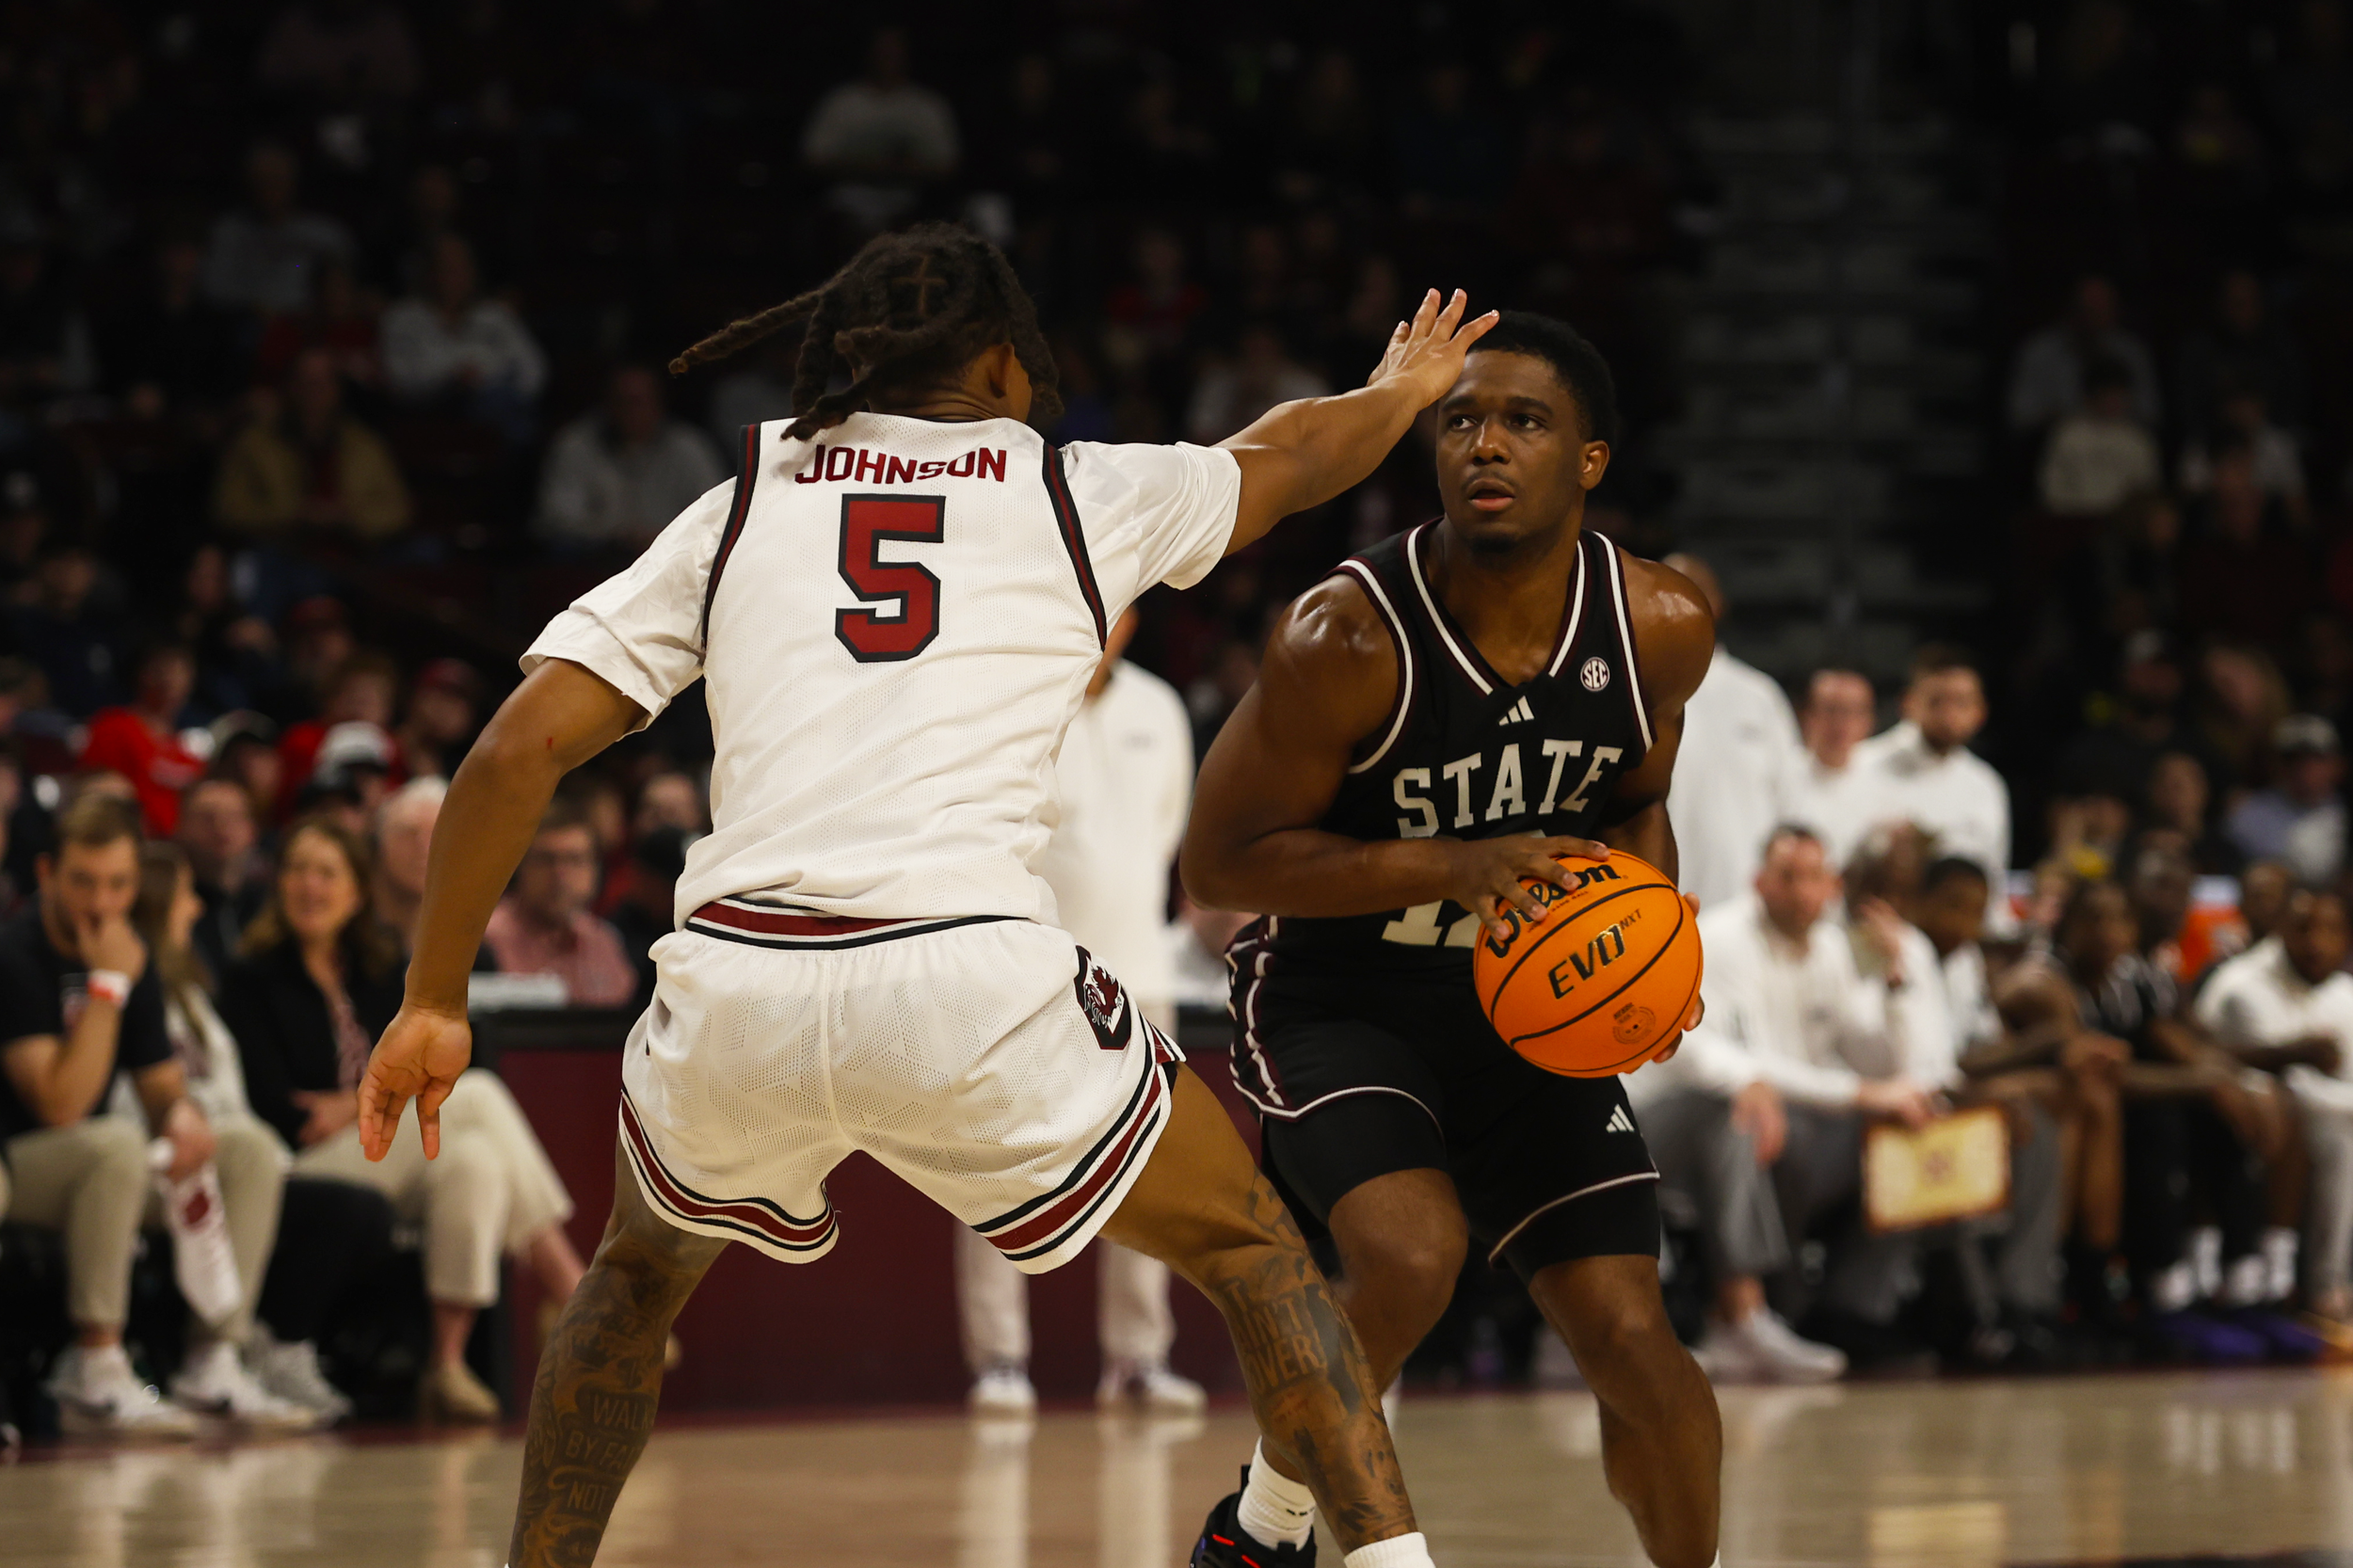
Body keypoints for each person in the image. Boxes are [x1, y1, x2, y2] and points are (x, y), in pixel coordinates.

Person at [358, 224, 1486, 1568]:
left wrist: (433, 995)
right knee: (1257, 1252)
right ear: (1006, 359)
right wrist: (1402, 396)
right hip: (965, 974)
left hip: (740, 979)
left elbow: (512, 750)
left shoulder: (741, 496)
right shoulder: (1072, 493)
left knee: (627, 1286)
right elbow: (1293, 456)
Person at [1181, 312, 1721, 1568]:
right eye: (1461, 419)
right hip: (1339, 994)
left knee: (1634, 1337)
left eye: (1524, 421)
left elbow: (1637, 804)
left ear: (1589, 459)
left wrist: (1652, 946)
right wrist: (1454, 865)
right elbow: (1221, 863)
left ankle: (1263, 1510)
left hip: (1523, 1007)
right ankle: (1275, 1520)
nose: (1485, 443)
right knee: (1410, 1253)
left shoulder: (1661, 626)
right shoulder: (1348, 635)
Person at [224, 816, 585, 1423]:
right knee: (479, 1096)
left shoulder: (379, 970)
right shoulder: (251, 980)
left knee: (475, 1161)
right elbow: (281, 1113)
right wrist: (361, 1102)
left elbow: (415, 1076)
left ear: (356, 893)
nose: (308, 886)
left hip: (378, 1144)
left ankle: (445, 1366)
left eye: (325, 873)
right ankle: (574, 1291)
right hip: (296, 1163)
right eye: (296, 870)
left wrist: (351, 1102)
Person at [955, 605, 1206, 1416]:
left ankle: (1137, 1359)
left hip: (1140, 971)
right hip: (1022, 973)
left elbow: (1169, 835)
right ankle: (999, 1361)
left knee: (1147, 1174)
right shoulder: (1010, 699)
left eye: (1126, 603)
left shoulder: (1161, 708)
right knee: (998, 1163)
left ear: (1135, 620)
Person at [0, 794, 291, 1433]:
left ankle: (215, 1357)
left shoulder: (129, 954)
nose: (101, 903)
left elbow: (161, 1088)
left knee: (244, 1145)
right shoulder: (18, 953)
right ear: (46, 874)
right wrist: (107, 988)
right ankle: (95, 1366)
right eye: (83, 882)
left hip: (105, 1173)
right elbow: (58, 1104)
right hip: (21, 1168)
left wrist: (182, 1116)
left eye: (118, 885)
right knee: (113, 1145)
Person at [128, 840, 389, 1423]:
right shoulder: (146, 992)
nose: (195, 910)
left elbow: (230, 1097)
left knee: (358, 1208)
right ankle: (221, 1352)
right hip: (175, 1160)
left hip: (239, 1157)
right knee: (335, 1202)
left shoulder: (192, 993)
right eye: (185, 899)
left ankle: (255, 1350)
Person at [1694, 827, 1941, 1361]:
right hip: (1746, 1110)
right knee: (1787, 1136)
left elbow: (1875, 1056)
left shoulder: (1830, 945)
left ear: (1833, 887)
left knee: (1910, 1136)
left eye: (1816, 877)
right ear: (1758, 881)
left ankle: (1853, 1312)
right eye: (1789, 876)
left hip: (1813, 1111)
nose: (1804, 891)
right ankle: (1780, 1310)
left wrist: (1896, 980)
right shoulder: (1720, 937)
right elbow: (1749, 1062)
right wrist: (1864, 1095)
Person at [2195, 888, 2353, 1320]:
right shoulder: (2242, 987)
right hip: (2245, 1123)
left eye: (2331, 930)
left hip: (2317, 1116)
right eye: (2304, 929)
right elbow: (2293, 1088)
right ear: (2282, 931)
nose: (2316, 942)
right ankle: (2324, 1287)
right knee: (2340, 1138)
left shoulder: (2346, 993)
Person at [1659, 552, 1808, 910]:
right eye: (1665, 591)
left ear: (1719, 604)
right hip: (1659, 908)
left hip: (1752, 914)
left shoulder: (1759, 696)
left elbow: (1793, 807)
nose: (1678, 602)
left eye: (1693, 590)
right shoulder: (1628, 693)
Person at [1850, 646, 2014, 935]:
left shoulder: (1986, 786)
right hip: (1876, 930)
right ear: (1908, 703)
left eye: (1962, 702)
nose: (1949, 714)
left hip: (1958, 941)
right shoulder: (1862, 766)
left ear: (1980, 711)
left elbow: (1994, 885)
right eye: (1937, 701)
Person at [213, 347, 412, 543]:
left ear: (338, 389)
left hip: (354, 556)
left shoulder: (364, 444)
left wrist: (346, 516)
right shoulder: (255, 442)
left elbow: (398, 510)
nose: (314, 392)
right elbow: (227, 509)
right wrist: (293, 514)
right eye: (305, 381)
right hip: (279, 551)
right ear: (289, 386)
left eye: (323, 382)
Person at [535, 365, 726, 551]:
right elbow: (555, 520)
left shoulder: (689, 448)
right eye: (620, 401)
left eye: (637, 401)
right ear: (606, 403)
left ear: (658, 404)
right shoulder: (576, 445)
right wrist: (616, 536)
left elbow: (718, 516)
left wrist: (665, 538)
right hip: (594, 565)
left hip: (674, 564)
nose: (629, 411)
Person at [380, 234, 547, 429]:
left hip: (498, 409)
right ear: (429, 272)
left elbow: (535, 369)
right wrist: (450, 381)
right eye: (447, 268)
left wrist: (506, 391)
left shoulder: (496, 315)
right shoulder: (402, 317)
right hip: (428, 416)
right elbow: (397, 378)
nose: (456, 276)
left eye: (462, 267)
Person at [482, 799, 638, 1006]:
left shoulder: (604, 941)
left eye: (575, 859)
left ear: (595, 870)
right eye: (547, 859)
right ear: (520, 866)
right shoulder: (486, 940)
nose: (560, 874)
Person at [78, 642, 204, 837]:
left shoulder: (188, 749)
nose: (170, 679)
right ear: (142, 674)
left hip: (176, 850)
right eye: (162, 669)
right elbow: (95, 790)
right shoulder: (114, 727)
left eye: (180, 671)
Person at [177, 776, 270, 1010]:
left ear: (253, 829)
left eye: (233, 817)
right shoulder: (174, 912)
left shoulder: (271, 906)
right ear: (181, 827)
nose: (221, 826)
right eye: (207, 817)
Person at [2225, 714, 2346, 885]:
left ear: (2336, 765)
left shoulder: (2345, 816)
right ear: (2277, 765)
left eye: (2316, 759)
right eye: (2293, 759)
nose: (2304, 769)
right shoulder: (2248, 814)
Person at [1794, 668, 1884, 870]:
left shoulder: (1886, 779)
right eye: (1831, 710)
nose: (1842, 723)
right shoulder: (1783, 773)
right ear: (1808, 716)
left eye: (1853, 711)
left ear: (1869, 721)